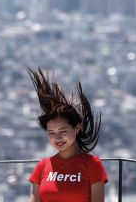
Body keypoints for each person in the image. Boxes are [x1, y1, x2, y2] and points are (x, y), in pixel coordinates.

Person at [28, 68, 108, 202]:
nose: (57, 138)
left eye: (63, 131)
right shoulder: (43, 165)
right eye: (51, 133)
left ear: (77, 128)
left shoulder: (92, 164)